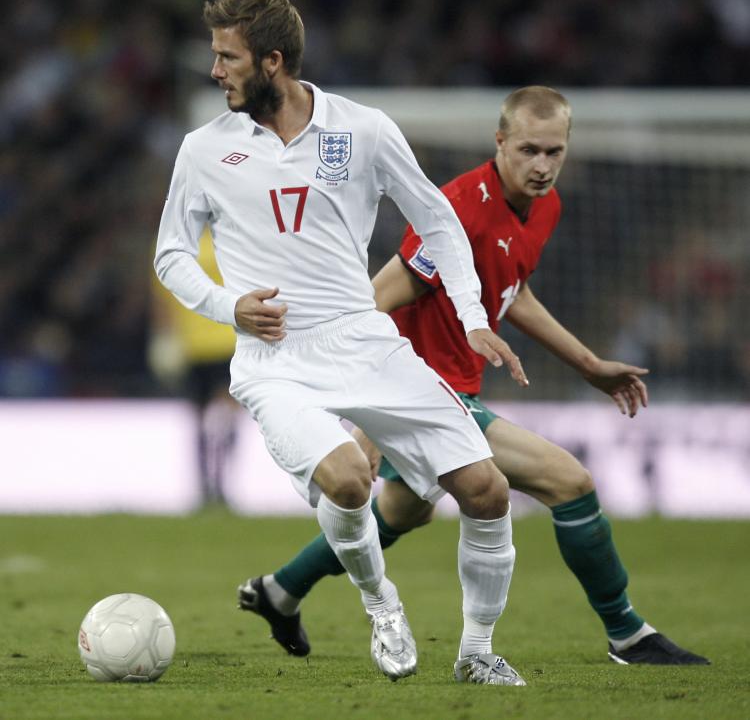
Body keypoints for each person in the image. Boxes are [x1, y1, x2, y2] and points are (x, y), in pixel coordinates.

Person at [241, 86, 710, 667]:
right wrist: (371, 410)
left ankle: (279, 590)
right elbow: (374, 299)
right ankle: (628, 635)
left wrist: (589, 365)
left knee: (406, 508)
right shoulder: (459, 211)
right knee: (570, 483)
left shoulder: (546, 207)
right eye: (529, 151)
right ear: (500, 142)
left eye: (554, 152)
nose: (542, 166)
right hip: (424, 394)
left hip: (452, 387)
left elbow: (512, 291)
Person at [154, 0, 531, 686]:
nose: (214, 72)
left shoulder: (362, 128)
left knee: (486, 490)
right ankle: (379, 602)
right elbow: (170, 253)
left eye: (227, 58)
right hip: (275, 359)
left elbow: (438, 219)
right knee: (350, 481)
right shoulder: (205, 149)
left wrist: (474, 318)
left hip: (363, 340)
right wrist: (227, 306)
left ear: (271, 61)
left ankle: (478, 652)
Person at [149, 229, 240, 506]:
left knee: (226, 417)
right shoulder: (173, 237)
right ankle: (205, 486)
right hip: (193, 346)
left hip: (228, 341)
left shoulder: (231, 233)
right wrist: (164, 337)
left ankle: (223, 482)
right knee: (199, 421)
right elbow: (161, 294)